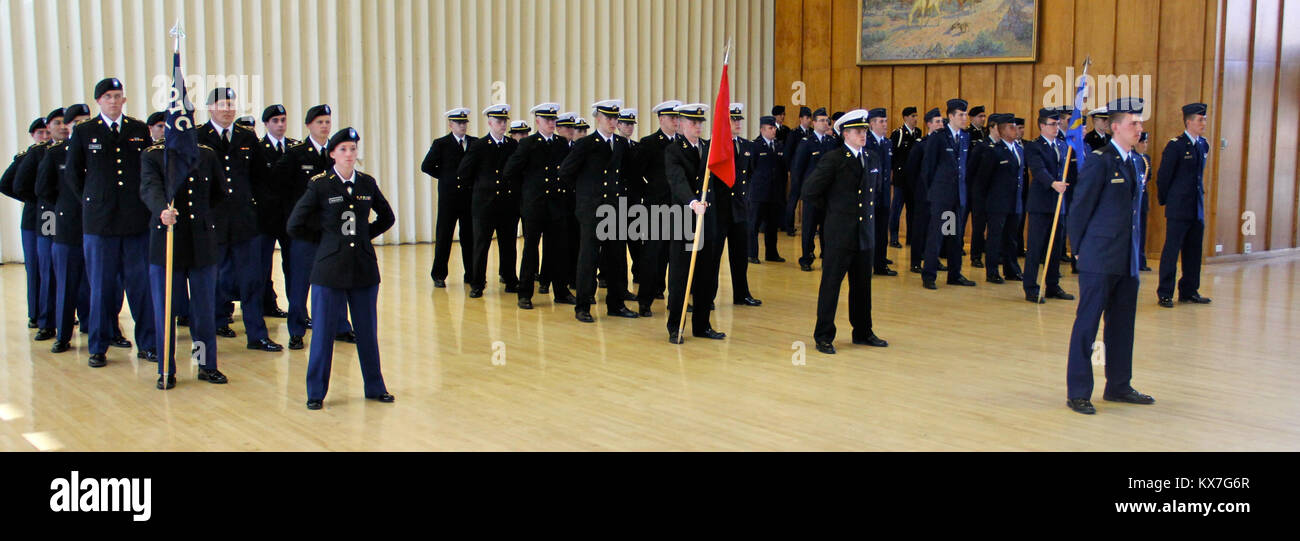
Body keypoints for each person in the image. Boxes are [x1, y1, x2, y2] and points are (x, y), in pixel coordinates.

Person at [287, 127, 396, 410]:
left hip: (362, 268)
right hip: (329, 270)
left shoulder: (367, 183)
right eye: (343, 149)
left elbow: (387, 216)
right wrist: (327, 242)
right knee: (323, 333)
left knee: (367, 331)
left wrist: (362, 236)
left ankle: (375, 387)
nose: (349, 154)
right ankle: (315, 392)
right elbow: (295, 224)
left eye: (353, 149)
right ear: (332, 154)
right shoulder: (320, 184)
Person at [1064, 97, 1155, 415]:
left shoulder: (1134, 161)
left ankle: (1118, 385)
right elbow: (1079, 209)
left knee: (1122, 325)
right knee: (1087, 325)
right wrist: (1080, 253)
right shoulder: (1100, 161)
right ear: (1116, 127)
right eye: (1134, 124)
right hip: (1099, 259)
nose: (1139, 129)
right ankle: (1078, 391)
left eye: (1140, 123)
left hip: (1126, 259)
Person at [66, 78, 157, 367]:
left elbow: (147, 170)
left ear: (124, 100)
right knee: (101, 287)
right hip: (100, 224)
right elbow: (73, 175)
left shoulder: (138, 129)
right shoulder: (84, 131)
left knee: (140, 286)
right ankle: (98, 346)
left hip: (135, 221)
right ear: (99, 101)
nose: (114, 101)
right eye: (108, 96)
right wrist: (94, 201)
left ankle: (148, 343)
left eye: (118, 96)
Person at [139, 128, 227, 389]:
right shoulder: (153, 156)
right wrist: (161, 210)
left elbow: (219, 192)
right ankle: (167, 368)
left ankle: (205, 364)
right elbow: (148, 188)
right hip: (167, 240)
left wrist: (200, 217)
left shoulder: (207, 155)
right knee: (165, 311)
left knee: (203, 311)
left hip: (200, 243)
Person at [199, 88, 282, 352]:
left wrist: (260, 212)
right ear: (210, 108)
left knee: (252, 280)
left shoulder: (247, 136)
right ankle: (212, 331)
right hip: (213, 221)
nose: (227, 109)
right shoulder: (199, 137)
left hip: (245, 222)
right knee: (214, 281)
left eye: (231, 104)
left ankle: (257, 334)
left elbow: (260, 179)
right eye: (222, 104)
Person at [270, 104, 355, 349]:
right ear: (309, 125)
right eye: (320, 122)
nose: (325, 126)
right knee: (300, 281)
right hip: (305, 233)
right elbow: (277, 185)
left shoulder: (336, 153)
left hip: (331, 232)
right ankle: (297, 330)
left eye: (328, 122)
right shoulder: (296, 153)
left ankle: (340, 326)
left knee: (337, 280)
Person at [803, 109, 888, 354]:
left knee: (862, 287)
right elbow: (809, 191)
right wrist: (833, 211)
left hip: (864, 233)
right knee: (831, 285)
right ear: (845, 134)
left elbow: (875, 192)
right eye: (858, 131)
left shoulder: (872, 157)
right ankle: (824, 335)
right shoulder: (834, 159)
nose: (863, 135)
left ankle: (863, 331)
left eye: (864, 130)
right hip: (840, 234)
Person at [558, 99, 638, 323]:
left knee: (616, 258)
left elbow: (629, 174)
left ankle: (616, 303)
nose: (613, 122)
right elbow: (565, 172)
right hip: (592, 210)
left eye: (615, 118)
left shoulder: (621, 145)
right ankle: (583, 306)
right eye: (608, 118)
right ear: (598, 118)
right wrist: (585, 194)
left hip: (614, 209)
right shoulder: (586, 144)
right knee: (589, 258)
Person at [504, 102, 576, 309]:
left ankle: (561, 290)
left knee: (558, 250)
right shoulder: (528, 144)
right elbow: (510, 171)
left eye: (554, 120)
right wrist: (526, 193)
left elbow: (569, 170)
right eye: (547, 120)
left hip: (556, 205)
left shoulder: (561, 144)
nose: (551, 123)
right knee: (530, 249)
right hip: (535, 205)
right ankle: (525, 293)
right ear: (538, 121)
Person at [664, 103, 725, 344]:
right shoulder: (673, 150)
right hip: (684, 219)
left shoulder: (709, 148)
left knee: (706, 276)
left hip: (707, 220)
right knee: (681, 276)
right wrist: (691, 202)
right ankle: (675, 326)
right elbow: (676, 181)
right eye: (692, 122)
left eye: (700, 122)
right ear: (680, 123)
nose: (697, 126)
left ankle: (702, 325)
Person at [36, 105, 93, 353]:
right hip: (68, 228)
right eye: (77, 121)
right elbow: (42, 188)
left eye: (86, 120)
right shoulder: (57, 153)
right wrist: (63, 206)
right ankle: (63, 335)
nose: (82, 125)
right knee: (66, 285)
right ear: (68, 126)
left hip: (97, 226)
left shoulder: (99, 150)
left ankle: (102, 329)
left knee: (99, 285)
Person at [459, 103, 519, 298]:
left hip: (507, 204)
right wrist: (480, 189)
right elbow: (464, 172)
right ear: (490, 123)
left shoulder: (512, 145)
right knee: (481, 245)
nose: (503, 125)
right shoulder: (479, 145)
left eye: (504, 121)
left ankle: (510, 279)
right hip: (485, 205)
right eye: (499, 121)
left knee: (508, 244)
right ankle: (477, 283)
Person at [1155, 102, 1212, 307]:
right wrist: (1167, 201)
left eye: (1204, 119)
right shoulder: (1176, 145)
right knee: (1172, 250)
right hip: (1179, 207)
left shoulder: (1203, 144)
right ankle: (1165, 292)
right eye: (1200, 119)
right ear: (1189, 122)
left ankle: (1189, 290)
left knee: (1193, 250)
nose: (1204, 123)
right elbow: (1164, 177)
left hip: (1196, 206)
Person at [920, 98, 977, 290]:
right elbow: (928, 168)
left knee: (954, 235)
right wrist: (935, 192)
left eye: (965, 114)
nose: (964, 118)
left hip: (957, 196)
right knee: (936, 235)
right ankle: (929, 275)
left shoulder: (965, 137)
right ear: (951, 116)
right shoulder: (938, 137)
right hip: (941, 196)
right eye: (961, 115)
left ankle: (955, 274)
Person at [633, 100, 682, 316]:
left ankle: (677, 300)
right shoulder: (649, 143)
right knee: (652, 256)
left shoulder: (683, 143)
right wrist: (650, 193)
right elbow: (634, 174)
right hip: (656, 208)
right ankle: (645, 300)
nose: (675, 121)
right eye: (672, 117)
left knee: (678, 256)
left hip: (679, 208)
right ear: (661, 119)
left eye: (677, 117)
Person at [1022, 108, 1077, 303]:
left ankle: (1052, 285)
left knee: (1056, 248)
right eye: (1052, 124)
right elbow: (1038, 169)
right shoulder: (1034, 146)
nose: (1057, 127)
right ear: (1042, 126)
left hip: (1059, 204)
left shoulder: (1063, 146)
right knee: (1036, 248)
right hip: (1040, 203)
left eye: (1058, 124)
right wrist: (1053, 183)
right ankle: (1031, 287)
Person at [1, 117, 50, 331]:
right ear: (32, 135)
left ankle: (55, 311)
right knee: (35, 267)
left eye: (47, 132)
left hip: (53, 217)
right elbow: (6, 184)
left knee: (53, 266)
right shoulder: (26, 156)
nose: (44, 136)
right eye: (40, 133)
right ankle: (35, 313)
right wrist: (33, 200)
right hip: (33, 219)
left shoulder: (56, 152)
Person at [421, 107, 476, 288]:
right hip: (449, 198)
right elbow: (426, 166)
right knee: (444, 236)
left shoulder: (474, 143)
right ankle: (439, 274)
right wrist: (445, 177)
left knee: (469, 236)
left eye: (464, 123)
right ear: (450, 124)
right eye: (458, 123)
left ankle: (471, 273)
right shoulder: (441, 143)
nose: (462, 126)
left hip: (468, 197)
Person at [970, 114, 1025, 284]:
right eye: (1010, 127)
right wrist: (984, 202)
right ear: (1001, 130)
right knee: (995, 237)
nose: (1015, 130)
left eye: (1015, 126)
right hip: (997, 202)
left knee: (1011, 237)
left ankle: (1011, 269)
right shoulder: (993, 151)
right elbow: (982, 179)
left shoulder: (1019, 149)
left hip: (1014, 202)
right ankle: (992, 271)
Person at [259, 104, 295, 318]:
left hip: (290, 218)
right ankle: (267, 305)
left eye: (283, 120)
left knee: (294, 267)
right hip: (266, 218)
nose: (280, 124)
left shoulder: (294, 148)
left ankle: (297, 310)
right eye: (275, 121)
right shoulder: (258, 149)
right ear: (266, 124)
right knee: (263, 267)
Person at [722, 104, 760, 306]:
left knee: (740, 255)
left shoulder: (747, 146)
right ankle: (707, 296)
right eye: (733, 120)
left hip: (741, 207)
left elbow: (750, 174)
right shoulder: (716, 145)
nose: (737, 123)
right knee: (713, 256)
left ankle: (742, 293)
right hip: (721, 209)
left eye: (739, 120)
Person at [792, 108, 836, 271]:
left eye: (827, 121)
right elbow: (798, 169)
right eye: (822, 120)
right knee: (809, 228)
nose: (825, 123)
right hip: (811, 194)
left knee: (827, 228)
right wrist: (801, 190)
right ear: (814, 122)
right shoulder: (806, 143)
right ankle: (806, 258)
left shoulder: (831, 142)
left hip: (827, 194)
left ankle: (826, 256)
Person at [905, 108, 944, 273]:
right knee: (920, 228)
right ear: (929, 124)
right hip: (923, 194)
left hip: (940, 195)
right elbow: (911, 171)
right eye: (937, 122)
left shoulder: (945, 143)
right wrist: (918, 192)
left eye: (942, 121)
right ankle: (915, 261)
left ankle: (934, 259)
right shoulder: (921, 145)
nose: (941, 124)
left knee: (937, 229)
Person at [747, 115, 787, 264]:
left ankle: (771, 253)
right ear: (762, 129)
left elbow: (783, 169)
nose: (774, 130)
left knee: (772, 225)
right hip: (758, 193)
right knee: (754, 224)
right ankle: (751, 253)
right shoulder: (755, 146)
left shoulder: (779, 145)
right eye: (771, 128)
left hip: (774, 193)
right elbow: (750, 169)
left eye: (774, 127)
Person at [862, 107, 896, 276]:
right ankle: (867, 265)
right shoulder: (867, 143)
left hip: (883, 195)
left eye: (886, 121)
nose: (885, 124)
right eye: (881, 122)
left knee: (882, 231)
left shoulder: (887, 143)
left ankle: (881, 265)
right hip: (870, 195)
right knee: (869, 232)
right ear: (872, 124)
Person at [889, 106, 921, 249]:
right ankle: (894, 237)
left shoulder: (918, 133)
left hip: (913, 180)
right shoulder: (898, 134)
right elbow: (892, 155)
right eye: (913, 116)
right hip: (901, 179)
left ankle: (911, 237)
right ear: (905, 117)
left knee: (912, 210)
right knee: (896, 209)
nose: (915, 119)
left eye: (916, 116)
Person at [782, 106, 814, 235]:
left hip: (809, 172)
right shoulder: (794, 133)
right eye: (806, 118)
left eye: (810, 118)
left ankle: (811, 227)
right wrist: (790, 170)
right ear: (800, 119)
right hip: (797, 171)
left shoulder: (811, 133)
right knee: (793, 199)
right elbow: (788, 153)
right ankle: (789, 226)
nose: (808, 120)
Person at [1135, 132, 1153, 272]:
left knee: (1142, 230)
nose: (1144, 145)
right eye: (1142, 142)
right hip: (1134, 200)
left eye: (1146, 142)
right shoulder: (1133, 158)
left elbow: (1148, 178)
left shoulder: (1146, 159)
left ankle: (1141, 260)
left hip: (1143, 200)